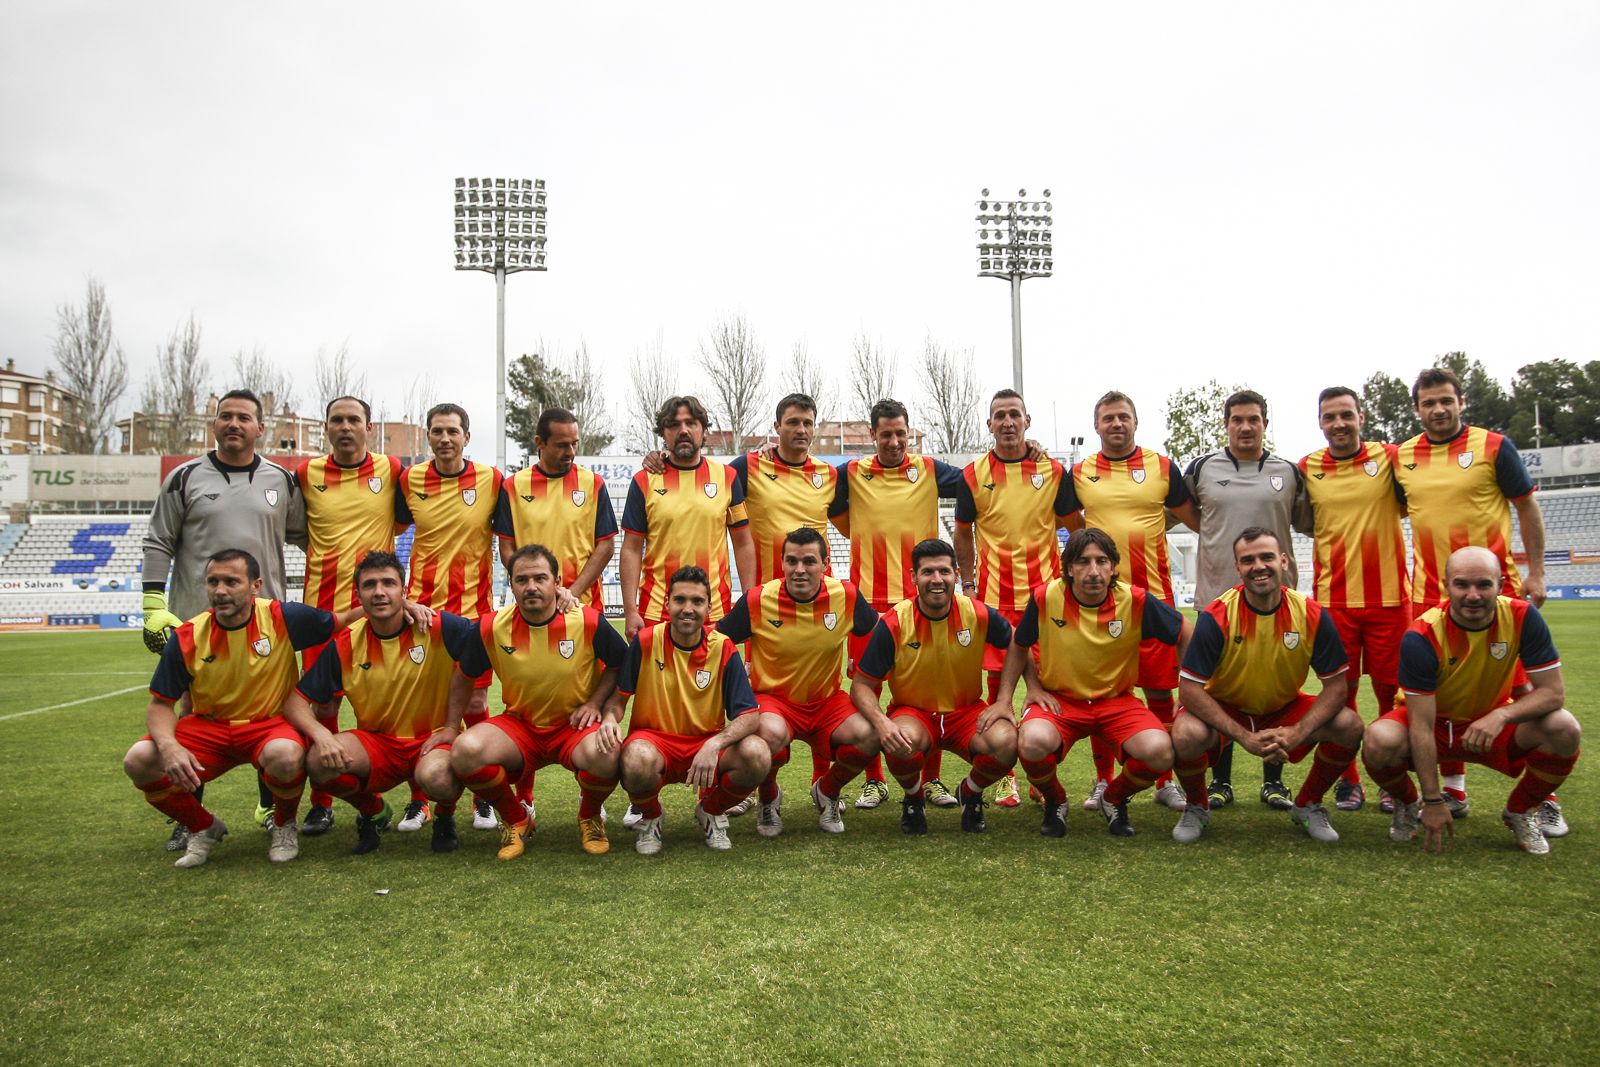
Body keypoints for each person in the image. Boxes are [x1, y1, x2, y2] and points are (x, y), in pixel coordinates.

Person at [140, 388, 306, 847]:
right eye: (225, 416)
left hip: (266, 622)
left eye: (244, 417)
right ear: (213, 424)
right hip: (199, 620)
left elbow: (308, 536)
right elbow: (158, 540)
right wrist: (153, 602)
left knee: (270, 713)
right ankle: (191, 816)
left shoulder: (281, 480)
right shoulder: (184, 477)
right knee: (193, 715)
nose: (234, 424)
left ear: (260, 428)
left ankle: (272, 810)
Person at [121, 550, 351, 869]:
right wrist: (170, 746)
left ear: (255, 586)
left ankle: (284, 824)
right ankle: (203, 826)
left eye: (231, 582)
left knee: (286, 755)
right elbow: (161, 705)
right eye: (213, 582)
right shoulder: (188, 635)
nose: (220, 591)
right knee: (139, 760)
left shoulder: (282, 617)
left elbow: (342, 620)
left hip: (269, 725)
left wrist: (402, 607)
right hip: (209, 728)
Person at [1393, 366, 1551, 826]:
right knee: (1440, 691)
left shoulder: (1495, 446)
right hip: (1429, 593)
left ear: (1461, 402)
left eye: (1447, 400)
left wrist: (1537, 572)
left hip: (1494, 593)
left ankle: (1542, 795)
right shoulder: (1402, 456)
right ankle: (1453, 787)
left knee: (1520, 687)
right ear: (1417, 409)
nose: (1439, 409)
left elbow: (1527, 506)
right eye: (1429, 403)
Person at [1360, 547, 1579, 855]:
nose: (1473, 595)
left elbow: (1553, 693)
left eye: (1483, 585)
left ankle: (1520, 810)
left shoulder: (1522, 617)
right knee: (1378, 739)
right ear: (1446, 586)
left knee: (1564, 727)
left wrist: (1501, 716)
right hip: (1435, 725)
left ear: (1500, 585)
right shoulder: (1422, 635)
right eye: (1462, 585)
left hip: (1490, 723)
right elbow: (1421, 725)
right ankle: (1408, 802)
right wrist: (1432, 800)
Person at [1169, 528, 1362, 844]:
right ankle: (1197, 806)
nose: (1258, 566)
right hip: (1227, 706)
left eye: (1266, 557)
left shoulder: (1310, 612)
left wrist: (1297, 731)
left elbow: (1336, 687)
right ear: (1238, 568)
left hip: (1283, 707)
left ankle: (1308, 804)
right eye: (1248, 560)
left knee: (1349, 725)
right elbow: (1189, 690)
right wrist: (1244, 736)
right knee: (1186, 733)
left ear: (1284, 561)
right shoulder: (1218, 614)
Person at [283, 551, 479, 855]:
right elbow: (296, 701)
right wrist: (321, 735)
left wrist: (453, 726)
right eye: (369, 585)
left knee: (438, 778)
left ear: (404, 590)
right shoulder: (346, 643)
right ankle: (373, 811)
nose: (379, 592)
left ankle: (444, 818)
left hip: (431, 740)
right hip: (378, 743)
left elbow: (486, 637)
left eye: (388, 583)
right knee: (319, 763)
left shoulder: (435, 626)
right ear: (358, 594)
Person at [997, 528, 1187, 838]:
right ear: (1070, 568)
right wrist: (1026, 691)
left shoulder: (1135, 599)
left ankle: (1114, 798)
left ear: (1113, 567)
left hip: (1117, 701)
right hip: (1061, 701)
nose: (1094, 571)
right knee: (1031, 742)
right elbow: (1019, 645)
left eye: (1102, 561)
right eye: (1084, 562)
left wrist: (1189, 690)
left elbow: (1185, 633)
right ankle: (1056, 800)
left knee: (1160, 752)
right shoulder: (1046, 597)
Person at [1060, 390, 1198, 813]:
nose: (1116, 424)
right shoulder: (1080, 473)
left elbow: (1193, 518)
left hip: (1154, 597)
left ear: (1135, 422)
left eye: (1123, 417)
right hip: (1102, 601)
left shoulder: (1162, 467)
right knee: (1103, 693)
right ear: (1096, 426)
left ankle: (1165, 782)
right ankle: (1104, 780)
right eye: (1108, 418)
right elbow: (1071, 523)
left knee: (1160, 691)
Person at [446, 543, 628, 858]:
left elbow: (619, 663)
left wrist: (595, 704)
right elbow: (464, 676)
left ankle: (589, 816)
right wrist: (450, 727)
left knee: (608, 750)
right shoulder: (492, 627)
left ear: (556, 582)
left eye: (540, 578)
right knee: (465, 751)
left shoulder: (585, 621)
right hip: (521, 726)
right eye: (522, 579)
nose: (531, 586)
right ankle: (516, 818)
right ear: (511, 583)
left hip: (573, 726)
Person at [829, 398, 966, 811]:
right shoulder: (851, 473)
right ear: (872, 435)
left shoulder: (930, 470)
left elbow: (979, 480)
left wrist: (1027, 451)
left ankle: (931, 778)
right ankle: (874, 781)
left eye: (900, 434)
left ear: (909, 433)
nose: (893, 441)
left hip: (919, 603)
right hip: (868, 606)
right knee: (866, 689)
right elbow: (809, 480)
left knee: (928, 690)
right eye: (885, 434)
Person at [493, 407, 619, 825]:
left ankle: (590, 801)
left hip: (582, 610)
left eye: (575, 444)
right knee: (527, 701)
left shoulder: (592, 483)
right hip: (530, 608)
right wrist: (534, 586)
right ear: (540, 443)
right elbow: (506, 545)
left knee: (588, 703)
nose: (570, 451)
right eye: (562, 444)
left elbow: (605, 544)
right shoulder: (514, 486)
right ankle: (524, 798)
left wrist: (572, 593)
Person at [1183, 389, 1307, 811]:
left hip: (1276, 601)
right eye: (1237, 419)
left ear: (1265, 424)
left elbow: (1304, 520)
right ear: (1226, 424)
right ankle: (1220, 781)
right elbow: (1186, 514)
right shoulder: (1201, 469)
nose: (1245, 427)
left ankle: (1274, 782)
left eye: (1253, 419)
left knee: (1276, 689)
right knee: (1219, 690)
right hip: (1217, 600)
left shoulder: (1288, 471)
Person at [716, 527, 883, 836]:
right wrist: (738, 683)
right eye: (791, 561)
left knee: (871, 735)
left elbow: (881, 634)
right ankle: (769, 798)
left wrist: (863, 666)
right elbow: (717, 644)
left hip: (826, 701)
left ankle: (828, 791)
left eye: (809, 561)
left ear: (825, 564)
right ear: (782, 563)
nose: (799, 569)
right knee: (767, 735)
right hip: (774, 701)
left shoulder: (845, 595)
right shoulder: (758, 599)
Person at [952, 388, 1074, 808]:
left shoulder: (1052, 471)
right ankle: (1005, 776)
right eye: (999, 415)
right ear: (989, 424)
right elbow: (962, 534)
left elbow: (1075, 526)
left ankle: (1042, 772)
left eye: (1014, 414)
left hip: (1046, 602)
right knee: (996, 691)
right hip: (994, 600)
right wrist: (968, 585)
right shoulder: (973, 474)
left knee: (1050, 688)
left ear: (1027, 421)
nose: (1007, 422)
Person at [850, 539, 1018, 835]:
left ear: (956, 574)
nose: (937, 579)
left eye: (944, 571)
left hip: (966, 713)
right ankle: (914, 797)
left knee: (1007, 743)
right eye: (928, 572)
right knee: (898, 741)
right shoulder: (895, 622)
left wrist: (1004, 701)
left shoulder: (976, 613)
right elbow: (861, 685)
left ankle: (970, 791)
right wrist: (882, 723)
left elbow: (1019, 643)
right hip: (914, 713)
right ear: (914, 577)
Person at [292, 395, 405, 836]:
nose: (345, 427)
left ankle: (396, 797)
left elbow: (401, 522)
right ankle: (322, 803)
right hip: (323, 610)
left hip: (377, 609)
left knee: (386, 700)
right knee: (323, 704)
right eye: (336, 420)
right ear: (325, 427)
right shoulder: (306, 474)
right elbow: (298, 530)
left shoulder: (391, 470)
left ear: (368, 427)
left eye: (353, 420)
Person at [1296, 387, 1411, 813]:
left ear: (1361, 417)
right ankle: (1349, 781)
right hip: (1334, 601)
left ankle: (1390, 777)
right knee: (1338, 694)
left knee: (1391, 694)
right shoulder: (1307, 468)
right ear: (1320, 422)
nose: (1339, 423)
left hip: (1390, 600)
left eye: (1346, 414)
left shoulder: (1391, 457)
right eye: (1330, 417)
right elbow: (1305, 521)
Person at [602, 566, 768, 854]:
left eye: (697, 601)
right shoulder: (646, 641)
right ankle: (651, 816)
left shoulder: (723, 648)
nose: (688, 609)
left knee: (758, 754)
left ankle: (711, 810)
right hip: (654, 743)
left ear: (709, 608)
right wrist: (608, 719)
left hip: (705, 743)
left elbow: (750, 715)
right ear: (667, 603)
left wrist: (714, 744)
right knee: (635, 757)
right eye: (680, 600)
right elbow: (617, 701)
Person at [392, 402, 502, 834]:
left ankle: (483, 796)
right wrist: (401, 598)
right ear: (428, 436)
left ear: (466, 438)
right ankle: (420, 799)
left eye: (452, 431)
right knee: (425, 708)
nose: (444, 438)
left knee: (474, 703)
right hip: (424, 615)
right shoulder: (410, 479)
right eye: (437, 431)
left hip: (474, 615)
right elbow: (388, 532)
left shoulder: (491, 480)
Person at [619, 395, 754, 640]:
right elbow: (631, 548)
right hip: (657, 610)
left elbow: (743, 542)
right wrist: (630, 610)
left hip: (714, 610)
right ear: (663, 433)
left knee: (714, 667)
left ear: (704, 430)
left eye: (691, 423)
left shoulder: (727, 477)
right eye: (673, 424)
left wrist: (748, 604)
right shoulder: (644, 480)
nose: (683, 430)